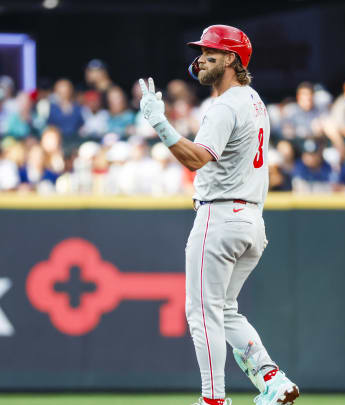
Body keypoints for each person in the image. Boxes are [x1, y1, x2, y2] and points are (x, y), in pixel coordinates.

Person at [138, 25, 298, 405]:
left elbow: (197, 158)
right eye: (201, 51)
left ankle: (213, 400)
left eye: (211, 51)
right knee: (225, 310)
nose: (201, 57)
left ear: (231, 59)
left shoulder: (225, 105)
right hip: (251, 221)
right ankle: (272, 378)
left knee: (201, 314)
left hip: (221, 216)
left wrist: (160, 124)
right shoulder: (254, 100)